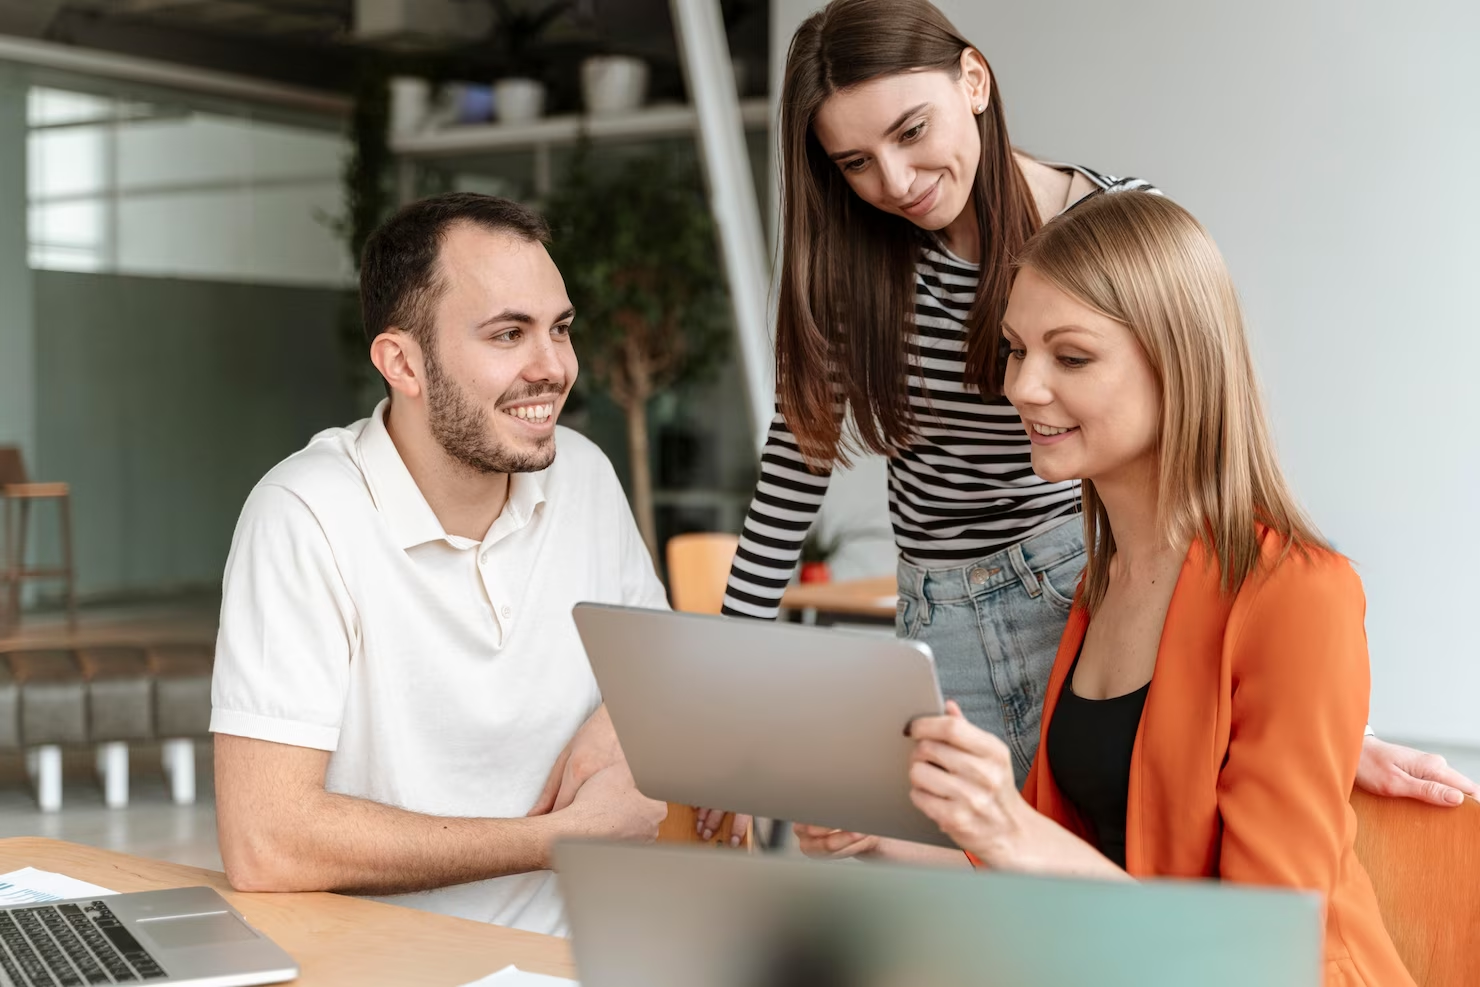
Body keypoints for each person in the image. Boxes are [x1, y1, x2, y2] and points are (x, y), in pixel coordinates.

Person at [701, 0, 1475, 844]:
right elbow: (791, 472)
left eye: (912, 131)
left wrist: (1308, 715)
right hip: (936, 620)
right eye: (855, 161)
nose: (893, 180)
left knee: (1114, 886)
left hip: (1085, 598)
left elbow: (1205, 439)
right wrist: (730, 717)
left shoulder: (1108, 225)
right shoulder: (851, 258)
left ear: (974, 79)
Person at [817, 191, 1418, 985]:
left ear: (1180, 364)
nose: (1022, 388)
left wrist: (1012, 833)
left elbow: (1267, 953)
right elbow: (1063, 862)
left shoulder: (1300, 594)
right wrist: (886, 835)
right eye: (1015, 351)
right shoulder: (1101, 587)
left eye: (1070, 357)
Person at [210, 193, 667, 937]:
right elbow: (266, 842)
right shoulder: (303, 514)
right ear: (402, 362)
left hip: (580, 955)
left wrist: (620, 718)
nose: (553, 368)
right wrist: (554, 841)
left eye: (560, 328)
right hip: (388, 965)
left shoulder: (581, 473)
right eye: (508, 334)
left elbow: (658, 663)